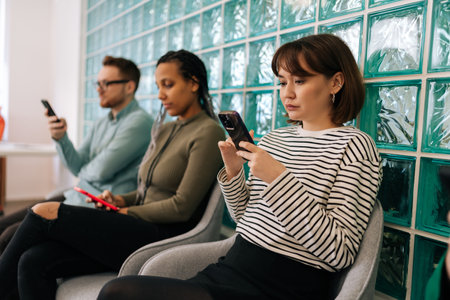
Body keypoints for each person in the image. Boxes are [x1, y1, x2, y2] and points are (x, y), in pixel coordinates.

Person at [98, 33, 383, 300]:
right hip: (232, 267)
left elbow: (338, 252)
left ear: (335, 83)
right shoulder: (275, 138)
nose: (288, 93)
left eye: (300, 81)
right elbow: (246, 220)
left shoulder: (356, 146)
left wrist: (279, 179)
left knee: (120, 292)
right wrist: (234, 173)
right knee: (120, 290)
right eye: (283, 82)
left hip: (284, 286)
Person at [0, 49, 225, 300]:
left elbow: (181, 207)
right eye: (158, 86)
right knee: (32, 261)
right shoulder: (167, 128)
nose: (160, 94)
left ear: (193, 83)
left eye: (168, 85)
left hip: (161, 233)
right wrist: (121, 200)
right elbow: (145, 189)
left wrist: (126, 211)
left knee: (44, 211)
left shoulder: (208, 132)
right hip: (135, 222)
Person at [0, 56, 153, 254]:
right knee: (4, 225)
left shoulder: (140, 123)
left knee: (9, 236)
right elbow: (76, 165)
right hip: (76, 198)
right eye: (97, 83)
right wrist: (61, 138)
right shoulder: (102, 122)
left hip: (97, 209)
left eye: (106, 83)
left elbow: (99, 171)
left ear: (129, 87)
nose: (99, 88)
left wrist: (84, 170)